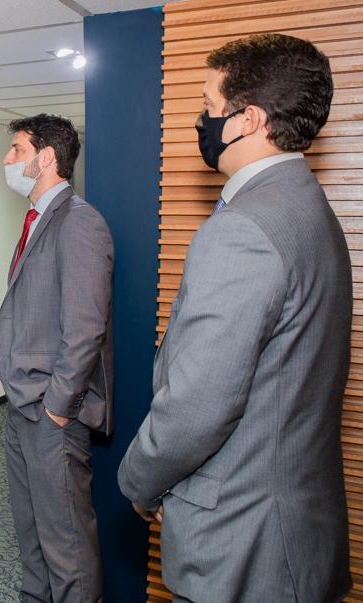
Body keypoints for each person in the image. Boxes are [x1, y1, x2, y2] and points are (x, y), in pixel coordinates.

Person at [118, 33, 352, 603]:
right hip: (294, 525)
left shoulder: (243, 228)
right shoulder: (310, 210)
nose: (200, 121)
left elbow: (199, 405)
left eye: (208, 105)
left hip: (244, 536)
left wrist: (139, 480)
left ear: (248, 119)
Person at [0, 114, 114, 603]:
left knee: (66, 545)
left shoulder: (79, 222)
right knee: (31, 531)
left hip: (51, 411)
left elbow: (85, 329)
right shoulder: (37, 219)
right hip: (20, 402)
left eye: (17, 150)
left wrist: (57, 409)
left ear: (46, 158)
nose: (7, 159)